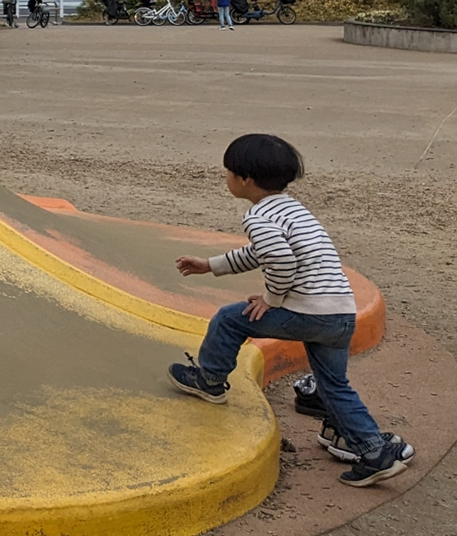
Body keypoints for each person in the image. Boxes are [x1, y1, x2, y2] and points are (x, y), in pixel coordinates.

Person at [169, 134, 414, 487]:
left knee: (228, 319)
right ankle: (374, 451)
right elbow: (262, 253)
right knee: (333, 386)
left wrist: (271, 298)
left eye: (227, 173)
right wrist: (212, 265)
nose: (226, 178)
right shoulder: (291, 208)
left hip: (307, 311)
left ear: (245, 179)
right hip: (339, 313)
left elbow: (280, 260)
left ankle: (210, 381)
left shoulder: (257, 215)